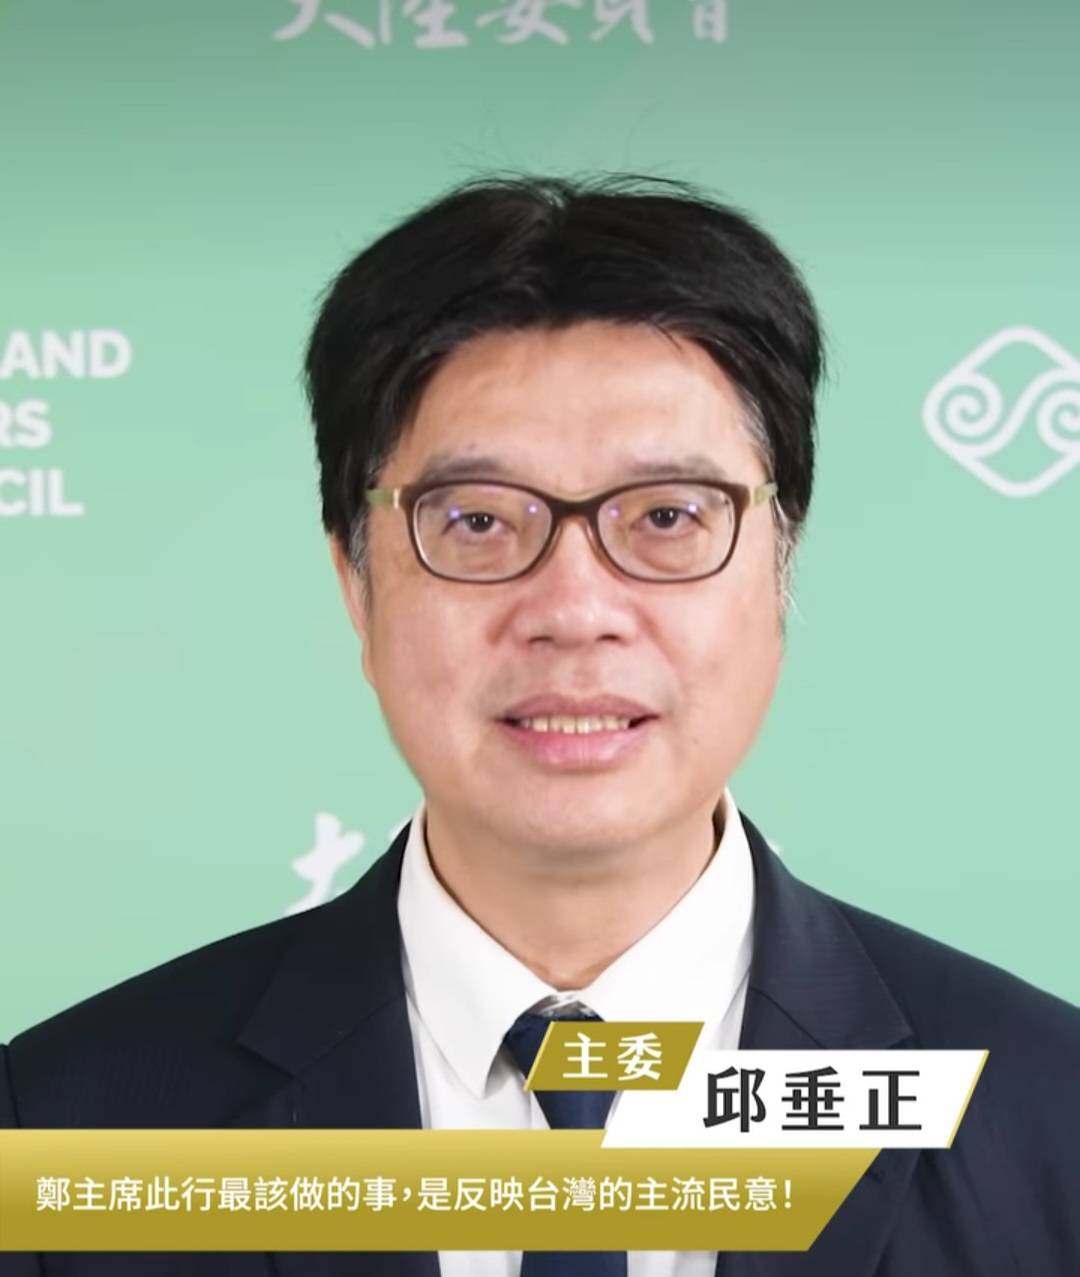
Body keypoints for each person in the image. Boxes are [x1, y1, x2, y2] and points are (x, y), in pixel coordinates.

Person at [2, 175, 1078, 1277]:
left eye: (666, 516)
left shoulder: (1048, 1122)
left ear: (781, 564)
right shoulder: (69, 1133)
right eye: (477, 520)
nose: (573, 607)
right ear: (355, 583)